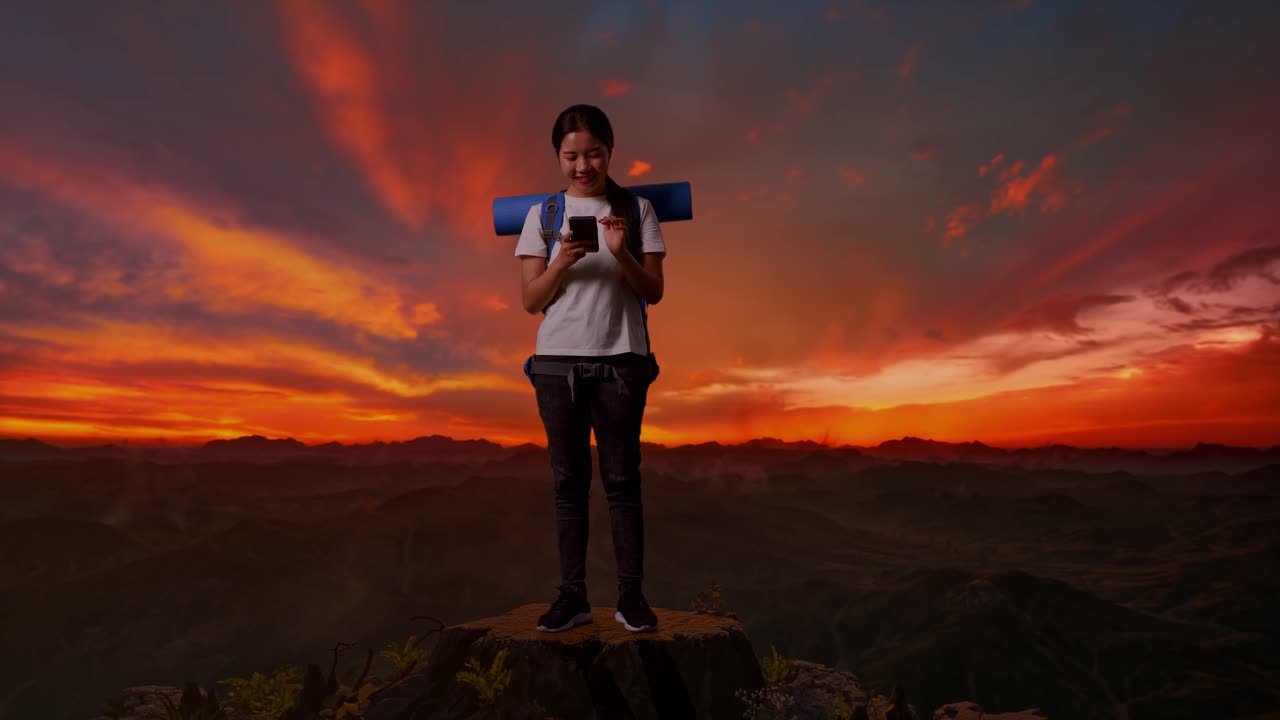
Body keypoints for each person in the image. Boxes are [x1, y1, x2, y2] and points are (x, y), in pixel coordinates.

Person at [513, 104, 666, 633]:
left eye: (594, 153)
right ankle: (572, 597)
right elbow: (531, 301)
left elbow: (654, 292)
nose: (583, 166)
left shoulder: (637, 210)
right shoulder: (543, 216)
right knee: (569, 484)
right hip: (557, 363)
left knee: (623, 482)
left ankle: (631, 598)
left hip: (622, 360)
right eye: (571, 156)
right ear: (558, 156)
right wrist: (562, 260)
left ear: (610, 152)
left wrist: (621, 253)